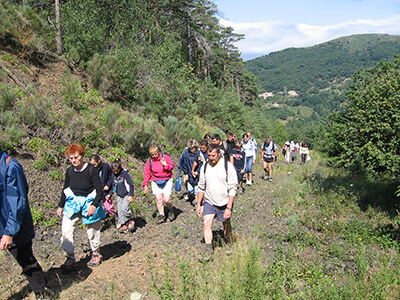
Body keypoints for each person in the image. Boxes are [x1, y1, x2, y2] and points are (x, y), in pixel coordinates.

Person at [0, 147, 48, 299]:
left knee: (26, 260)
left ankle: (42, 292)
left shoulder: (11, 166)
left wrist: (9, 232)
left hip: (15, 225)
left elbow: (18, 202)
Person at [57, 143, 106, 269]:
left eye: (76, 157)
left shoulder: (91, 170)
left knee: (92, 229)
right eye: (71, 158)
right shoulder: (69, 171)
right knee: (66, 229)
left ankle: (96, 253)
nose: (74, 160)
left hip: (89, 201)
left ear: (82, 156)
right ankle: (70, 256)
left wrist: (94, 205)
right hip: (73, 202)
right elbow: (65, 188)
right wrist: (60, 205)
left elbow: (99, 189)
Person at [196, 144, 238, 262]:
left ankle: (227, 241)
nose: (211, 158)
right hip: (209, 201)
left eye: (213, 155)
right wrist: (198, 204)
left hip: (224, 201)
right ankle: (208, 249)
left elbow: (232, 188)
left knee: (226, 224)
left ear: (219, 154)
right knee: (207, 223)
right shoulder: (205, 167)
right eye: (209, 155)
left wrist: (229, 208)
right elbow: (201, 187)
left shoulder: (227, 166)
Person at [142, 146, 175, 224]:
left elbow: (172, 166)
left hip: (167, 179)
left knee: (167, 199)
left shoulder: (165, 157)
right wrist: (146, 185)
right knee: (159, 199)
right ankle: (161, 215)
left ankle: (170, 209)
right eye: (152, 155)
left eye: (155, 154)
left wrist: (166, 165)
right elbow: (147, 173)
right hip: (155, 180)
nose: (154, 156)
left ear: (158, 152)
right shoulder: (149, 161)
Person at [106, 159, 135, 233]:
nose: (115, 172)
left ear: (120, 168)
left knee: (124, 209)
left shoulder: (124, 175)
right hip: (119, 195)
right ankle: (123, 224)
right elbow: (112, 185)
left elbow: (131, 185)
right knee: (120, 211)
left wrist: (131, 195)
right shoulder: (113, 175)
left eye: (116, 171)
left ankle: (129, 220)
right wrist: (109, 193)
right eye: (114, 171)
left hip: (126, 194)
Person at [179, 139, 200, 205]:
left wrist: (198, 171)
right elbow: (184, 163)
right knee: (190, 189)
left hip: (197, 174)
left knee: (197, 189)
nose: (191, 150)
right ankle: (192, 195)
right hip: (189, 172)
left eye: (192, 149)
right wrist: (185, 173)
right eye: (190, 148)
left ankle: (197, 203)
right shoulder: (186, 152)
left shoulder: (199, 153)